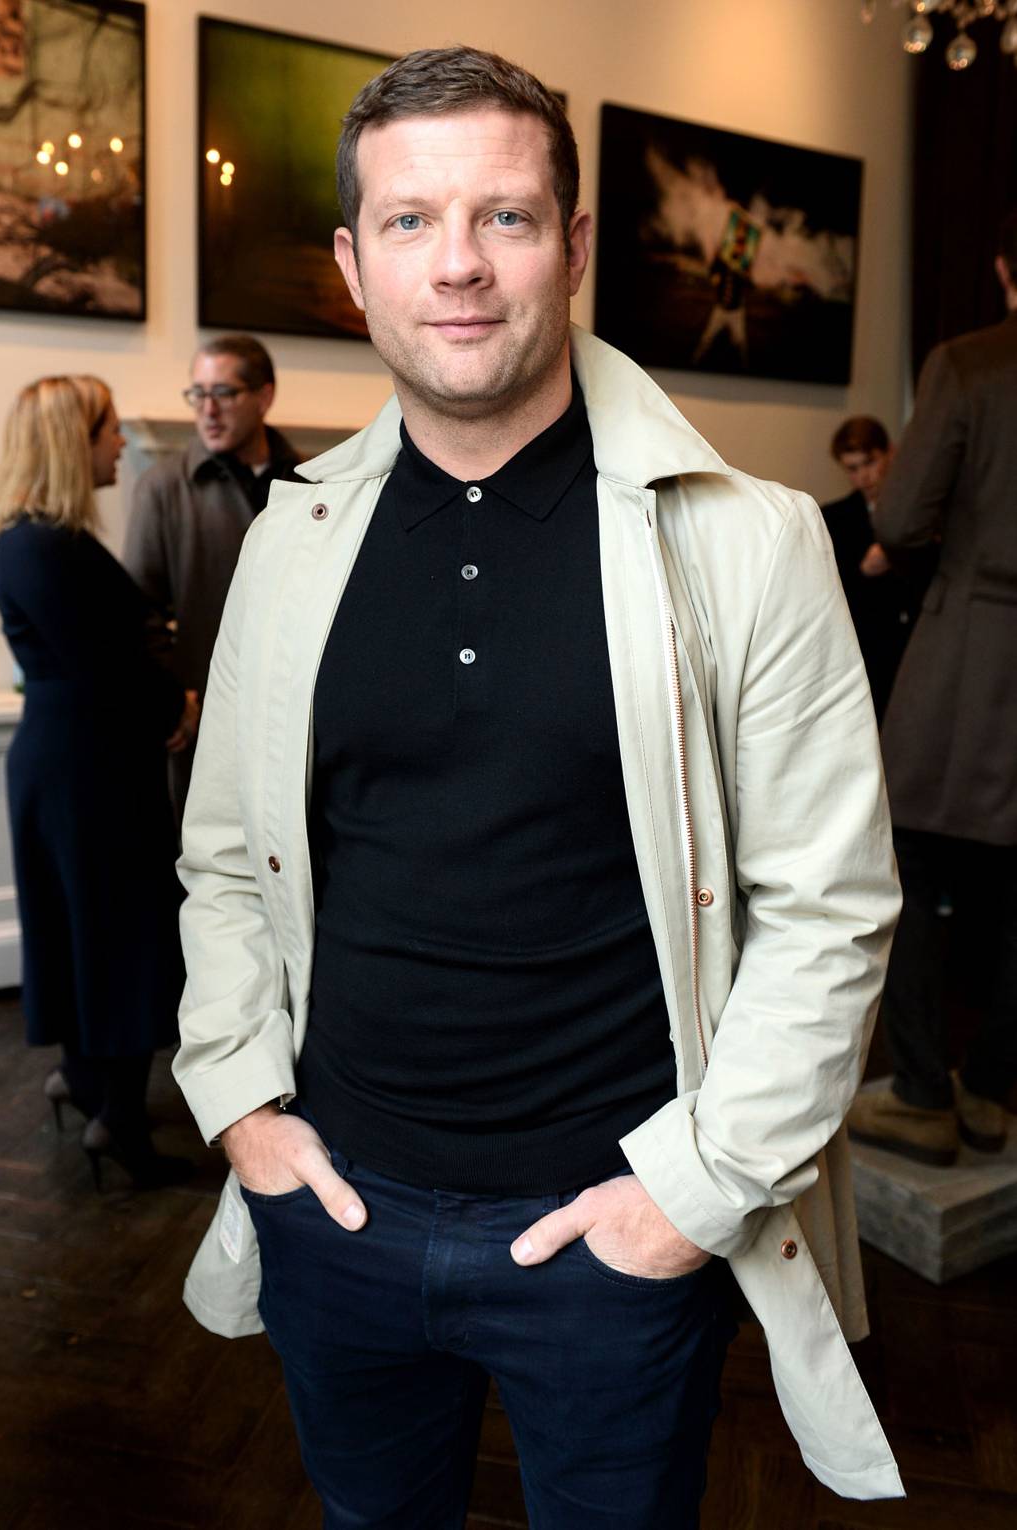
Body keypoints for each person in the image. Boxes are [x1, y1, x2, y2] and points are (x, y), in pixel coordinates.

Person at [173, 46, 903, 1526]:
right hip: (336, 1210)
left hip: (613, 1235)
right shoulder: (289, 539)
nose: (458, 265)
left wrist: (687, 1200)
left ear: (572, 248)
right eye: (409, 221)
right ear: (352, 266)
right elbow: (227, 857)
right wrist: (245, 1107)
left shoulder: (750, 542)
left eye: (504, 217)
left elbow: (828, 913)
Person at [0, 375, 197, 1188]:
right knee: (122, 934)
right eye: (109, 429)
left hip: (69, 760)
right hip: (91, 767)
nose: (120, 442)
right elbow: (109, 670)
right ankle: (117, 1118)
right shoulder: (48, 547)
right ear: (71, 442)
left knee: (84, 928)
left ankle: (86, 1082)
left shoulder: (32, 542)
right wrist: (176, 704)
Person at [847, 212, 1017, 1167]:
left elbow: (903, 516)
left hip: (972, 655)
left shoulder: (969, 363)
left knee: (901, 862)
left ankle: (920, 1093)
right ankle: (990, 1089)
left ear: (1003, 266)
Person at [122, 334, 300, 823]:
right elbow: (138, 613)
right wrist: (175, 698)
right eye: (197, 393)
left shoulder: (311, 480)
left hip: (296, 717)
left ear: (264, 396)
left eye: (223, 393)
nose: (208, 410)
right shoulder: (163, 487)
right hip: (204, 723)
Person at [821, 416, 933, 723]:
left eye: (869, 463)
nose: (863, 477)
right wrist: (863, 572)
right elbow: (826, 595)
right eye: (852, 469)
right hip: (865, 652)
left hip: (918, 646)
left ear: (890, 453)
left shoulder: (924, 512)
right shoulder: (834, 518)